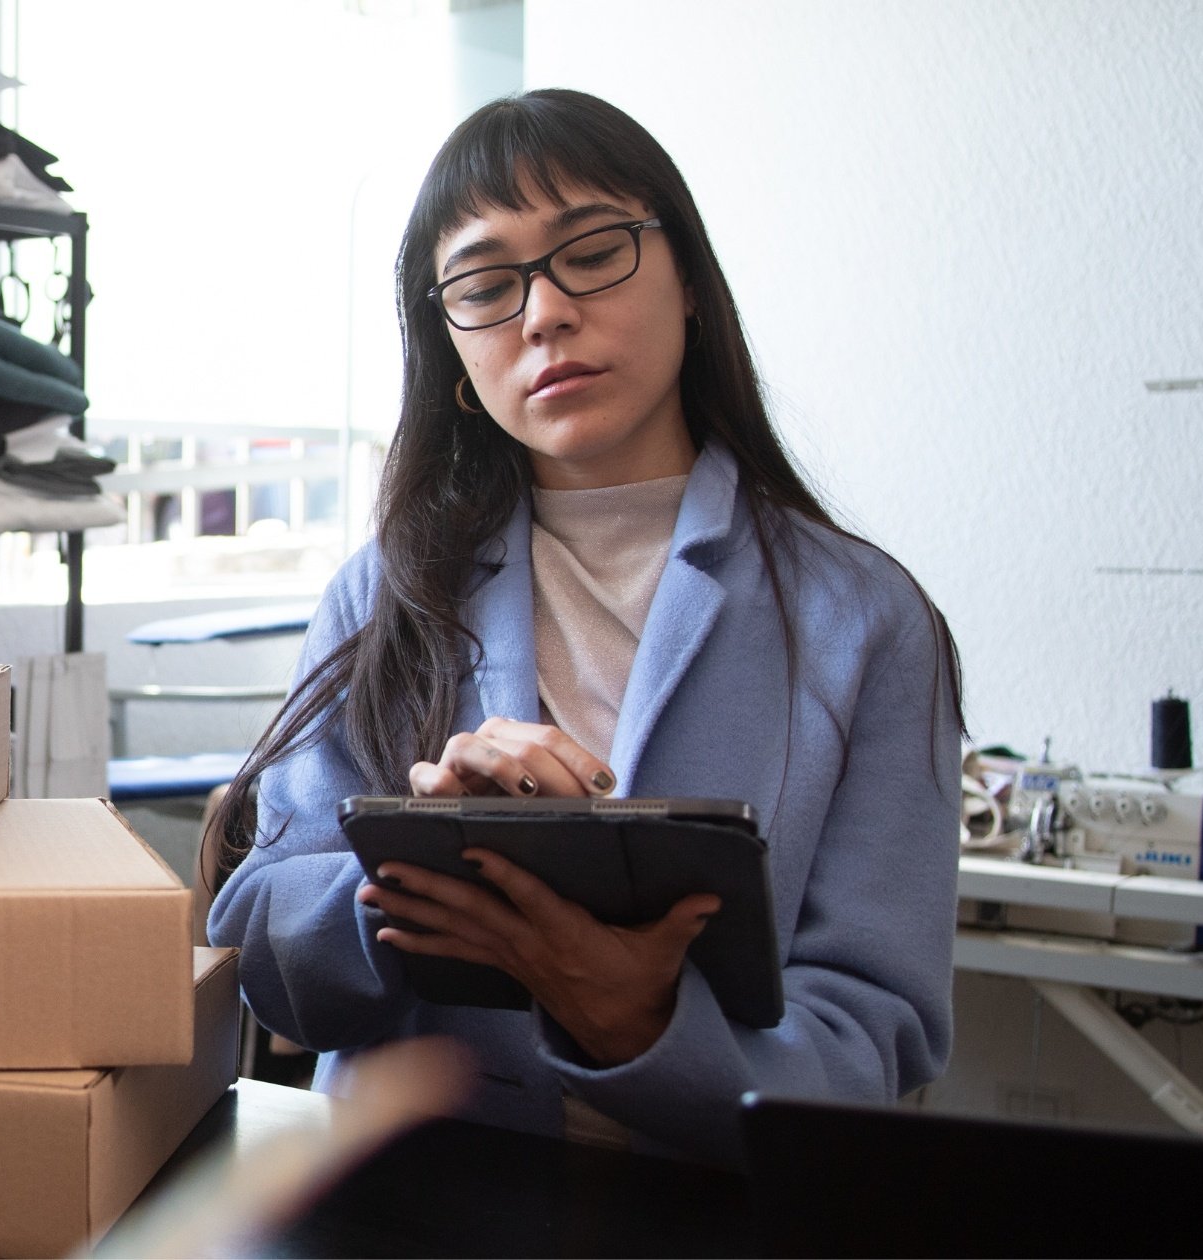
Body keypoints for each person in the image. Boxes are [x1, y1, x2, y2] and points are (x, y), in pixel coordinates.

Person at [206, 89, 963, 1167]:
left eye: (592, 252)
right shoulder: (383, 593)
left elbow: (874, 1042)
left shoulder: (864, 621)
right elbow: (264, 951)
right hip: (402, 1201)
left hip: (707, 1211)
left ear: (690, 283)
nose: (543, 313)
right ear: (452, 355)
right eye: (483, 285)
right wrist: (416, 876)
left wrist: (638, 1024)